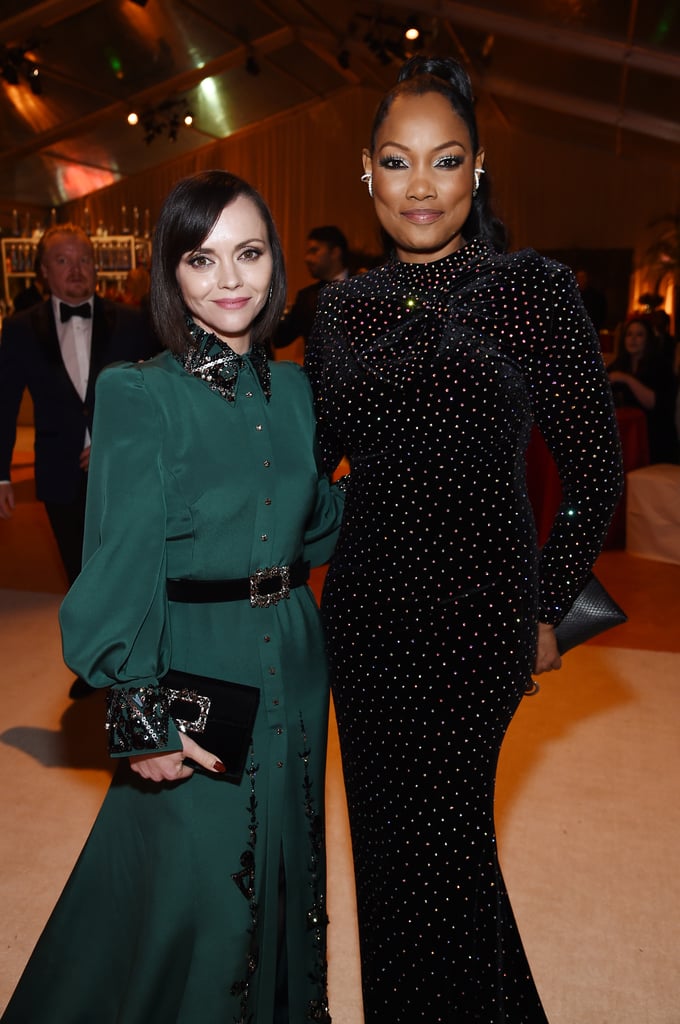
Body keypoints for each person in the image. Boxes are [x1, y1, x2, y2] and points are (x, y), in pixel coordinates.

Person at [306, 56, 623, 1023]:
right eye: (397, 162)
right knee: (402, 865)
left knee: (441, 849)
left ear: (478, 167)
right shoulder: (337, 311)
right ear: (367, 173)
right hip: (365, 624)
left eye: (445, 161)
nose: (421, 187)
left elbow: (596, 471)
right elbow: (314, 470)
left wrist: (546, 607)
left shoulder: (533, 291)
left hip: (479, 626)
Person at [1, 171, 345, 1024]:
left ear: (275, 265)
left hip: (296, 658)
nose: (230, 279)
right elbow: (116, 564)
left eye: (250, 253)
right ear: (172, 274)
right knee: (197, 883)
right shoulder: (139, 393)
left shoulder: (299, 392)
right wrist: (137, 716)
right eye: (202, 258)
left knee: (285, 866)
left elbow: (322, 531)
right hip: (199, 654)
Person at [0, 224, 159, 699]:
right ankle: (94, 667)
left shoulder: (132, 322)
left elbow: (158, 394)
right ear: (45, 270)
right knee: (80, 574)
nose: (76, 270)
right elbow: (4, 401)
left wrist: (120, 442)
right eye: (63, 261)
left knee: (131, 567)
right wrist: (1, 474)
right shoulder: (20, 328)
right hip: (59, 472)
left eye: (84, 259)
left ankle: (139, 660)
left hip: (126, 474)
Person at [608, 315, 679, 463]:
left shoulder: (660, 366)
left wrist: (627, 379)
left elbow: (653, 403)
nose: (633, 339)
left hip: (654, 437)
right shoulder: (620, 363)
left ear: (648, 340)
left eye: (639, 335)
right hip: (625, 434)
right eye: (629, 334)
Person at [271, 225, 349, 355]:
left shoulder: (364, 287)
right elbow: (280, 339)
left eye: (314, 251)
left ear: (335, 252)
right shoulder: (306, 297)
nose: (307, 259)